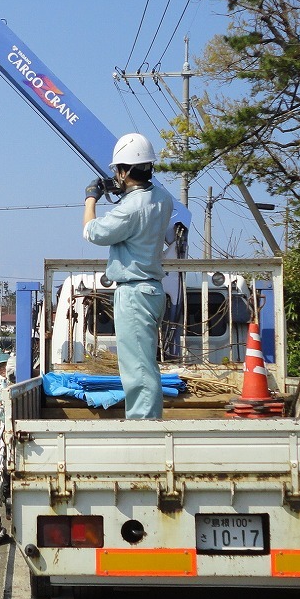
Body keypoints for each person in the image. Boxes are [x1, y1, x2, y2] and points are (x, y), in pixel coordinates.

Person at [82, 133, 174, 419]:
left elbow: (93, 232)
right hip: (151, 288)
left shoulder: (131, 208)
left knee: (137, 367)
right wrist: (126, 190)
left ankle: (143, 425)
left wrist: (90, 199)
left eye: (117, 171)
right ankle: (146, 419)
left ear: (123, 170)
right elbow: (142, 200)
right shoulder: (162, 198)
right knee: (145, 362)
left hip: (134, 292)